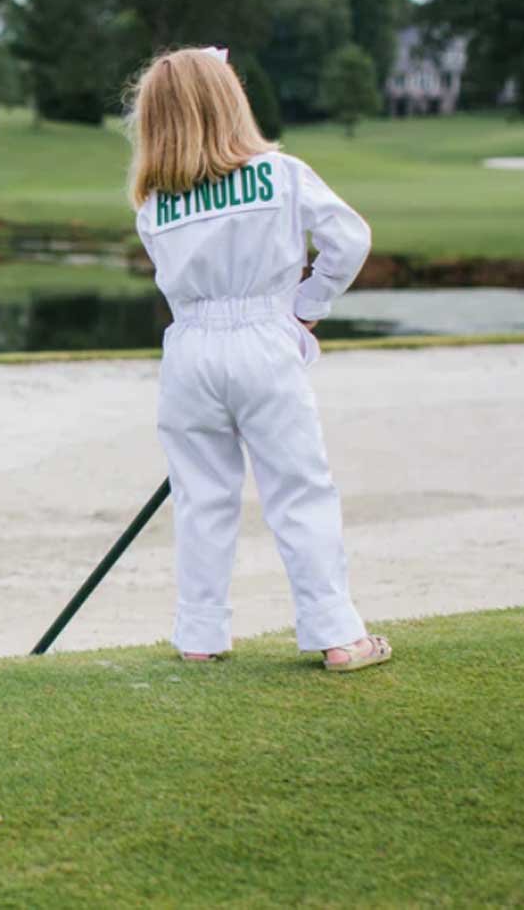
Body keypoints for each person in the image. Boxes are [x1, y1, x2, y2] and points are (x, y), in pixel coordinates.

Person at [126, 46, 390, 673]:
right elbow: (349, 240)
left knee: (202, 495)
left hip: (189, 353)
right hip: (263, 339)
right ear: (230, 102)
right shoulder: (281, 174)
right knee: (299, 490)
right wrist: (306, 307)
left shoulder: (152, 206)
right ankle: (336, 633)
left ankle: (201, 634)